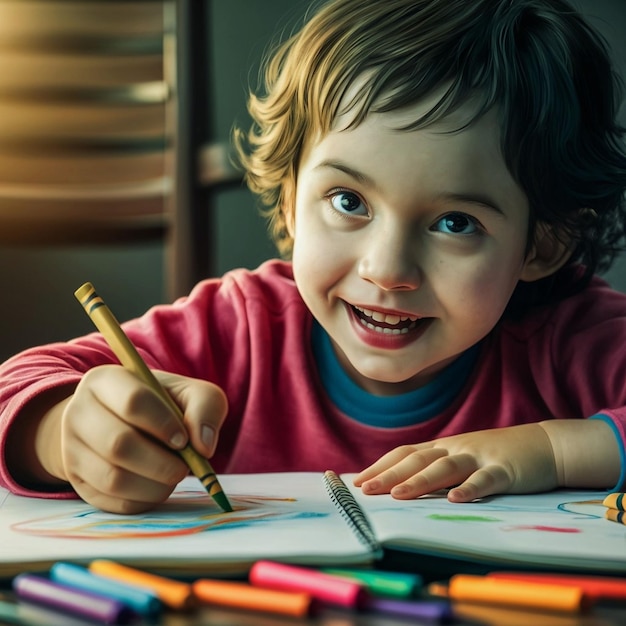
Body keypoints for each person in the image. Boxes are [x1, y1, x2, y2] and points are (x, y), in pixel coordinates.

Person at [1, 0, 626, 515]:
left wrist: (555, 450)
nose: (386, 270)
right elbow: (13, 390)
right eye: (349, 200)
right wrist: (62, 434)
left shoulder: (568, 340)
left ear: (540, 243)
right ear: (292, 197)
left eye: (455, 222)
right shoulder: (240, 326)